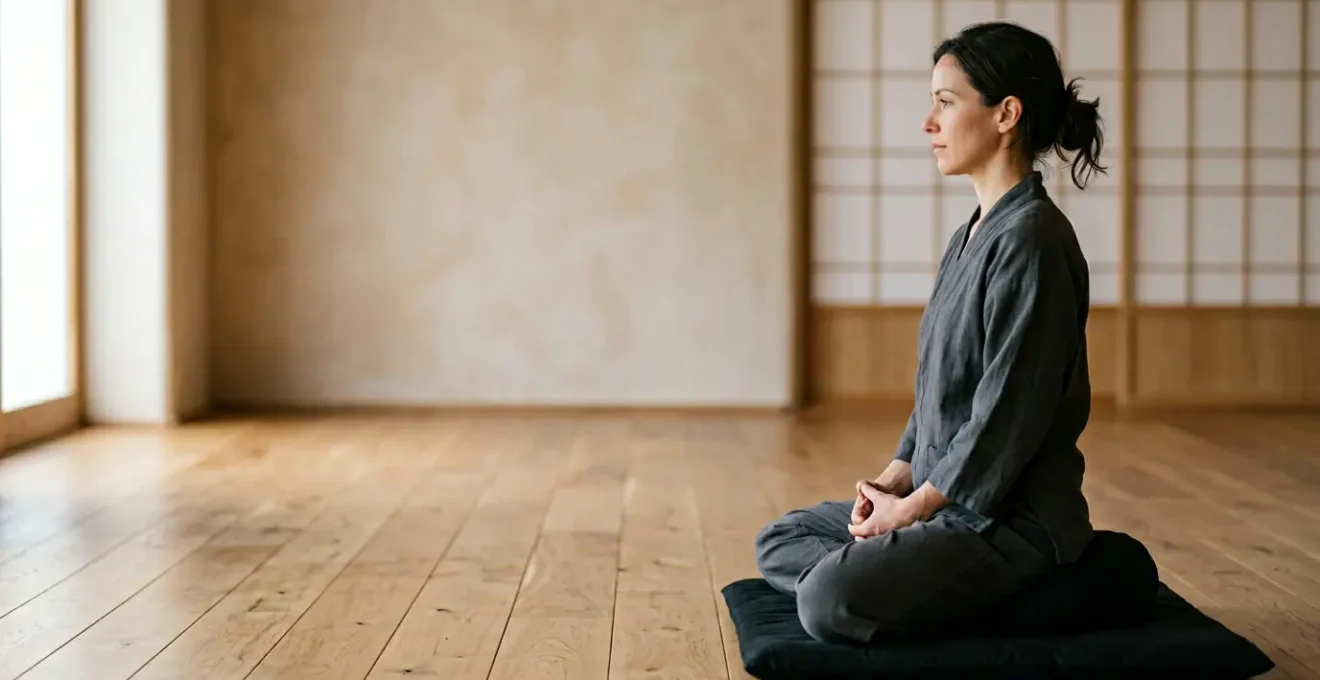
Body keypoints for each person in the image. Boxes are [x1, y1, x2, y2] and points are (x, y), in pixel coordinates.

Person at [755, 21, 1105, 645]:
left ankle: (1005, 588)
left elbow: (1007, 419)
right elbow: (938, 389)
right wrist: (894, 479)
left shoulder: (1033, 241)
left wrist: (910, 513)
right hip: (939, 501)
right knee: (781, 540)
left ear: (1006, 114)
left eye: (945, 103)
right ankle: (922, 586)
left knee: (826, 598)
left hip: (1003, 518)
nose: (929, 123)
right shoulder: (972, 233)